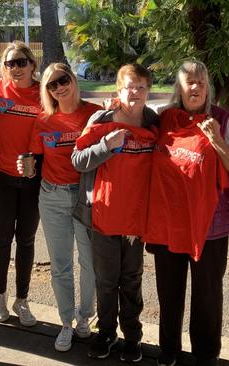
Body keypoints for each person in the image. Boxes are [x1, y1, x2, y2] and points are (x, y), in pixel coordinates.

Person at [143, 60, 229, 366]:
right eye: (189, 81)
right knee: (169, 290)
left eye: (201, 82)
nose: (195, 87)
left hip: (209, 226)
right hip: (168, 222)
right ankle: (169, 350)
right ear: (179, 87)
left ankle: (205, 355)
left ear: (209, 87)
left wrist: (215, 139)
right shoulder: (164, 118)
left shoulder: (224, 120)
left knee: (207, 294)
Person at [72, 64, 159, 362]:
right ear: (118, 91)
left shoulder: (153, 122)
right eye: (129, 87)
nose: (134, 92)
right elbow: (78, 160)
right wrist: (105, 146)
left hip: (136, 220)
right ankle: (106, 332)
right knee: (107, 281)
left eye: (140, 87)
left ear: (148, 91)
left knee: (131, 280)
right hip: (104, 216)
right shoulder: (102, 119)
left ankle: (132, 336)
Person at [20, 63, 101, 351]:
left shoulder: (94, 113)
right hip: (52, 196)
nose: (59, 88)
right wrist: (25, 166)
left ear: (72, 79)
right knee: (61, 265)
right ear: (48, 91)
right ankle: (66, 321)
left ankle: (85, 317)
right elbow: (32, 161)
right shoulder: (44, 121)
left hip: (85, 197)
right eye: (52, 85)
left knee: (90, 262)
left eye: (63, 80)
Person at [0, 41, 43, 326]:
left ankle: (22, 299)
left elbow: (72, 110)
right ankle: (0, 295)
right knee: (2, 239)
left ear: (32, 64)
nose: (15, 68)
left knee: (26, 240)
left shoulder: (45, 93)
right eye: (9, 63)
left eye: (20, 62)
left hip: (34, 179)